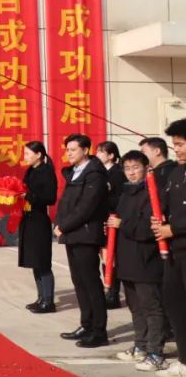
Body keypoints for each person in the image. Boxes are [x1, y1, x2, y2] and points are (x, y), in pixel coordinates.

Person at [110, 150, 167, 372]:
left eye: (136, 168)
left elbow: (147, 229)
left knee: (151, 307)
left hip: (146, 259)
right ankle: (140, 346)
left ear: (146, 168)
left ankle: (155, 352)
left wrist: (121, 224)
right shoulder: (126, 193)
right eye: (127, 168)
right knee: (135, 307)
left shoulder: (153, 193)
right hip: (127, 258)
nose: (131, 173)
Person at [55, 133, 110, 348]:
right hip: (72, 234)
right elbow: (66, 203)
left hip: (86, 234)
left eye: (73, 150)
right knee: (79, 281)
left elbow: (86, 207)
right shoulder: (74, 172)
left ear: (86, 150)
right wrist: (58, 223)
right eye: (67, 150)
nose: (69, 153)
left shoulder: (94, 174)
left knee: (91, 282)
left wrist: (64, 226)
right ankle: (86, 324)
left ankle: (99, 331)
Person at [152, 118, 186, 377]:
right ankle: (184, 360)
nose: (178, 150)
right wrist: (158, 219)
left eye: (182, 144)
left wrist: (173, 229)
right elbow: (165, 203)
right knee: (175, 303)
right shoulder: (176, 173)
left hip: (181, 240)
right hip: (175, 251)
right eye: (175, 144)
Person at [19, 141, 57, 314]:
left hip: (39, 221)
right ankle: (41, 297)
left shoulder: (46, 172)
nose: (25, 157)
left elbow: (50, 198)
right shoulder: (30, 171)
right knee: (34, 261)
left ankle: (48, 301)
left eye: (28, 154)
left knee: (43, 262)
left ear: (39, 155)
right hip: (28, 219)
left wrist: (29, 195)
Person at [96, 140, 126, 309]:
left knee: (111, 257)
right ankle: (108, 289)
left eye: (101, 152)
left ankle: (113, 294)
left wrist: (103, 195)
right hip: (103, 219)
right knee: (105, 256)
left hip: (113, 218)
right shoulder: (100, 172)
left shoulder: (117, 173)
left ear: (111, 155)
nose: (98, 155)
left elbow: (120, 199)